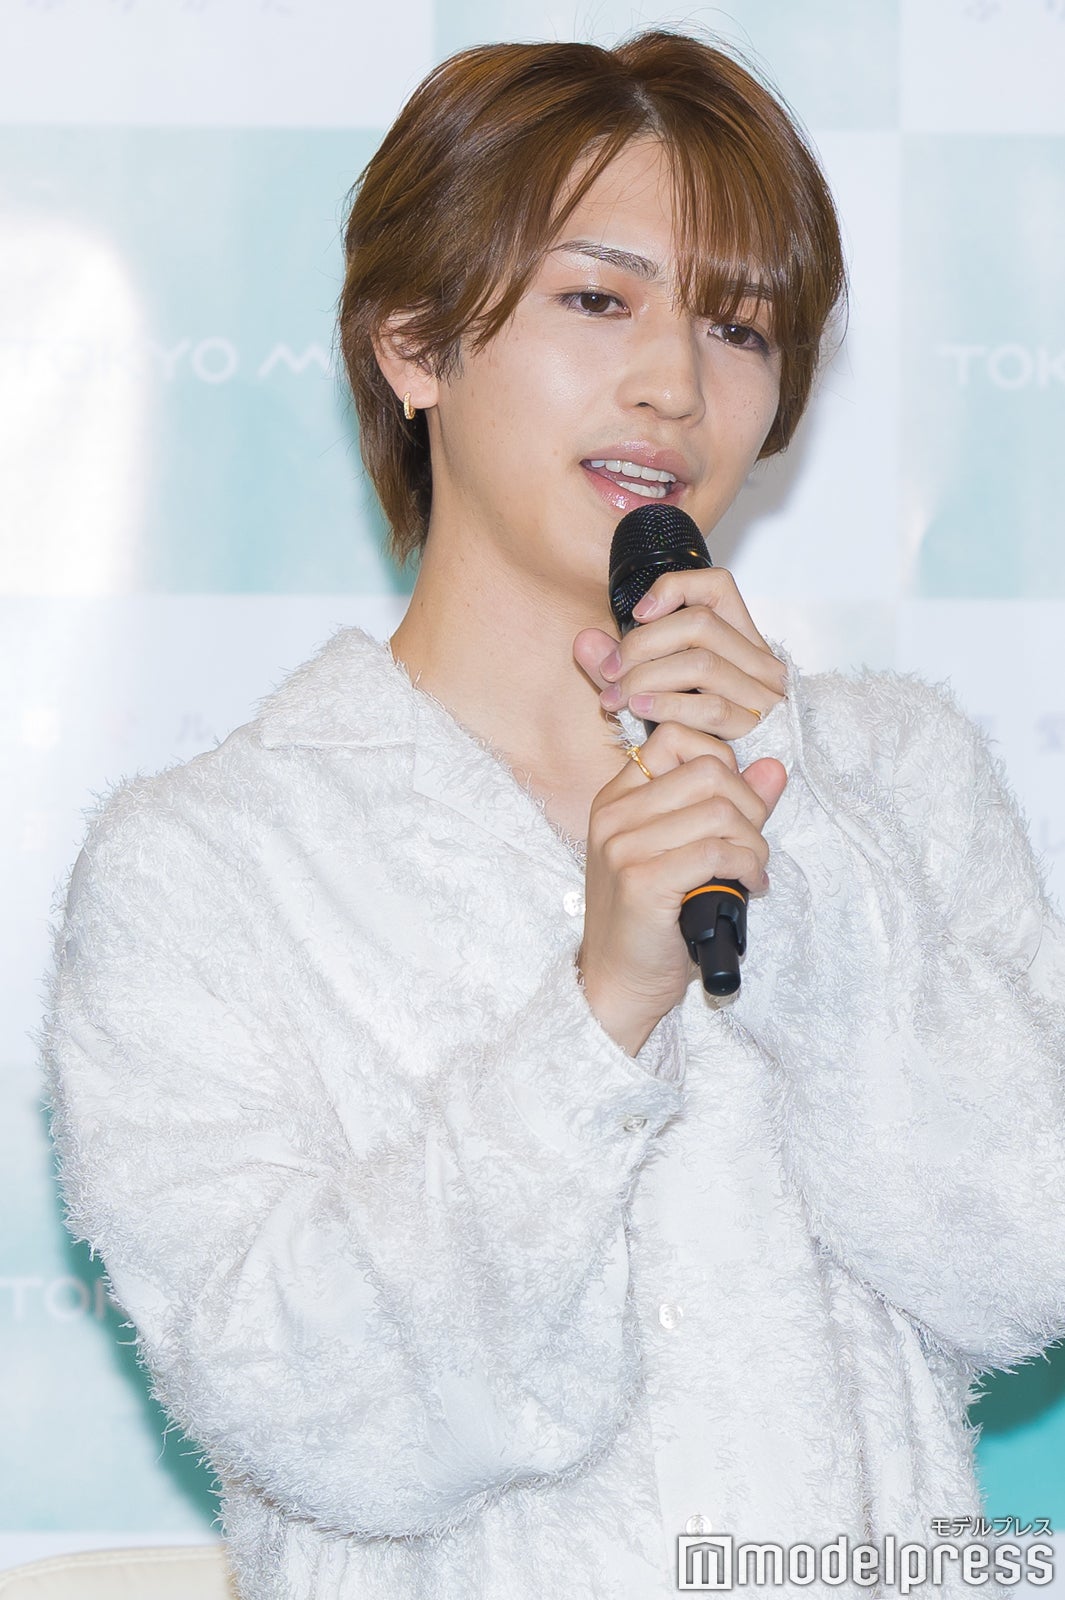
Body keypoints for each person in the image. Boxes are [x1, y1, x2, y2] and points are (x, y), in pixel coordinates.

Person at [41, 30, 1065, 1600]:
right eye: (600, 300)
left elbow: (1024, 1256)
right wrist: (596, 1023)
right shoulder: (206, 867)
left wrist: (808, 870)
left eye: (737, 326)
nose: (674, 385)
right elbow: (321, 1414)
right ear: (411, 344)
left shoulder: (889, 781)